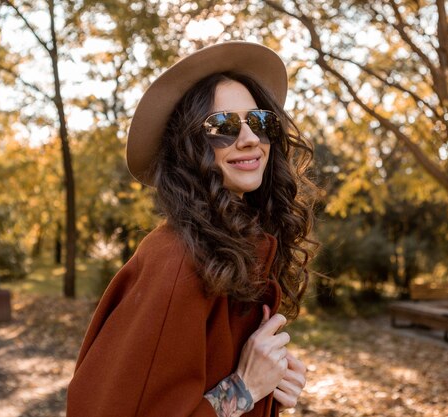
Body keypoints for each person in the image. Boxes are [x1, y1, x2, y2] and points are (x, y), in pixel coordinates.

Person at [66, 41, 315, 417]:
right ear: (189, 147)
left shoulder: (237, 246)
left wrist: (271, 387)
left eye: (260, 121)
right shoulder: (178, 260)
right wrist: (245, 389)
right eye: (224, 127)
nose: (249, 138)